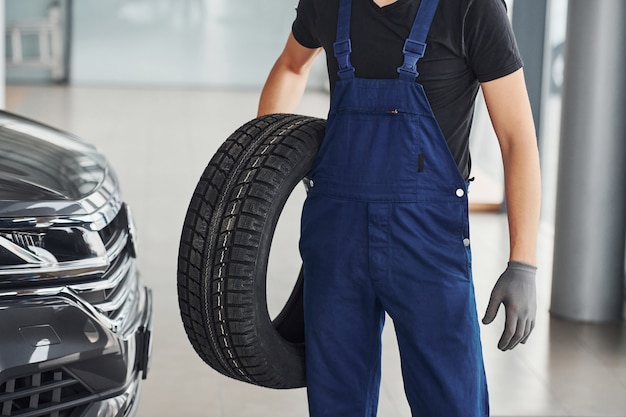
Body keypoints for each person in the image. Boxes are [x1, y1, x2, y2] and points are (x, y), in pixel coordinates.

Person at [257, 0, 541, 415]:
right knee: (337, 401)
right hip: (337, 240)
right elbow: (291, 66)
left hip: (427, 244)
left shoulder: (471, 8)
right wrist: (262, 173)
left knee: (452, 402)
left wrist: (523, 264)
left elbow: (517, 139)